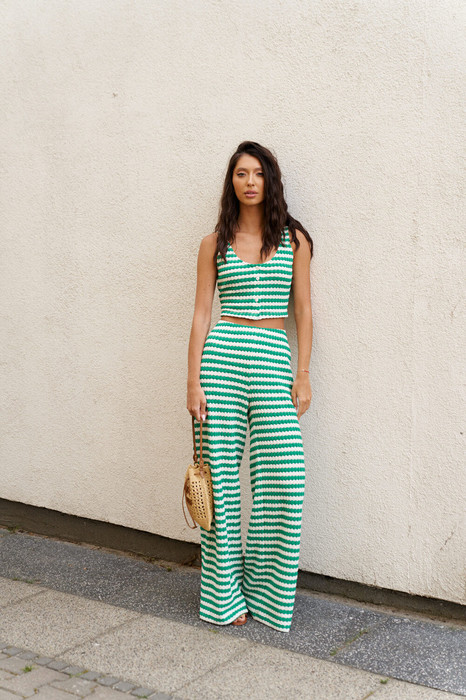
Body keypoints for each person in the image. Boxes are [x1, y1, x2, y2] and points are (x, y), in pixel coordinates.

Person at [186, 140, 313, 633]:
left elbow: (303, 311)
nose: (250, 181)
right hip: (221, 360)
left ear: (270, 180)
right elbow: (202, 314)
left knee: (285, 476)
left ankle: (266, 593)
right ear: (232, 182)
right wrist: (192, 379)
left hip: (273, 359)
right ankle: (224, 598)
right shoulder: (213, 243)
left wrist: (303, 373)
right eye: (241, 173)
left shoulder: (294, 240)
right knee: (219, 480)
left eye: (258, 173)